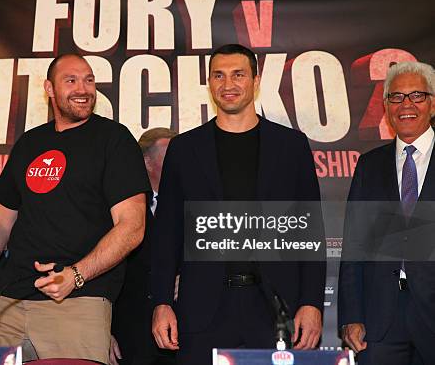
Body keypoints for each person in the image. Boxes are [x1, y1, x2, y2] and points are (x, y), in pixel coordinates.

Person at [0, 53, 150, 364]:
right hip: (6, 299)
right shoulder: (30, 144)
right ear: (49, 89)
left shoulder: (114, 139)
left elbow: (132, 226)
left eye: (89, 80)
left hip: (78, 300)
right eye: (71, 80)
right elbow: (1, 221)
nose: (83, 88)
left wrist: (75, 276)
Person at [150, 44, 326, 364]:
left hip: (276, 308)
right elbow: (167, 235)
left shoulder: (291, 146)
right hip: (203, 309)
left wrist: (311, 303)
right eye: (219, 75)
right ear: (209, 83)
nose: (228, 84)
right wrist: (161, 302)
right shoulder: (184, 149)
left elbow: (310, 232)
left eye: (238, 75)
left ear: (255, 82)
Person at [338, 61, 435, 365]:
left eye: (416, 96)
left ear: (432, 104)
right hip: (380, 320)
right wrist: (351, 315)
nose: (406, 105)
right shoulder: (369, 166)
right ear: (385, 107)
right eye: (396, 97)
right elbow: (354, 246)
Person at [111, 127, 177, 365]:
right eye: (171, 155)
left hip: (180, 336)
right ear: (146, 162)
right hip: (129, 336)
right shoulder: (117, 208)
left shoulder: (194, 206)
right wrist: (103, 331)